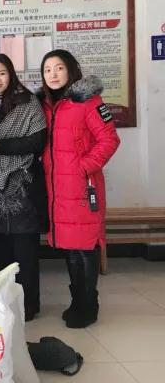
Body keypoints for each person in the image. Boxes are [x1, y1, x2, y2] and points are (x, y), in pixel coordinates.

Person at [39, 49, 120, 328]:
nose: (53, 74)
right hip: (57, 190)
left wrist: (83, 166)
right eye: (47, 70)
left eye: (58, 68)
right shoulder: (47, 105)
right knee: (70, 247)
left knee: (85, 246)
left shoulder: (89, 102)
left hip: (83, 187)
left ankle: (88, 304)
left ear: (71, 69)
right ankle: (77, 301)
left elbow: (109, 140)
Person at [0, 54, 48, 321]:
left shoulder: (27, 103)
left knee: (25, 251)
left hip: (23, 185)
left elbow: (37, 142)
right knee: (2, 250)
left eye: (2, 73)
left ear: (11, 75)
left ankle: (29, 306)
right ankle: (6, 305)